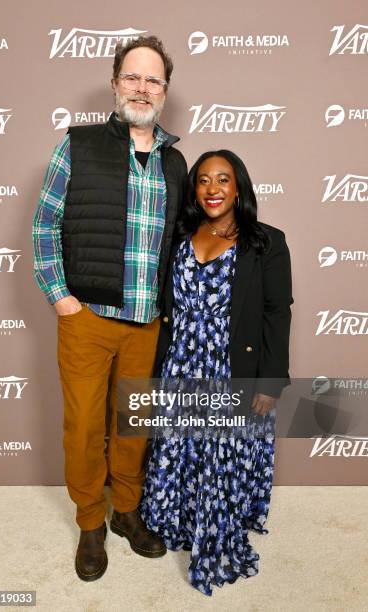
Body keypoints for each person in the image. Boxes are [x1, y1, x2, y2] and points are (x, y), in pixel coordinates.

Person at [32, 36, 187, 581]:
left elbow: (183, 241)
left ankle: (126, 512)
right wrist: (62, 299)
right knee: (82, 428)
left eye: (153, 80)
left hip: (146, 322)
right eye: (133, 77)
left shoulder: (174, 161)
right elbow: (44, 224)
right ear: (114, 81)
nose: (142, 88)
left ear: (164, 91)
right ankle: (91, 523)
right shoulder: (77, 144)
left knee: (133, 426)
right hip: (88, 318)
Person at [140, 150, 293, 595]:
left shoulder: (266, 241)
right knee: (178, 451)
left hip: (231, 369)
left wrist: (269, 381)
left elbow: (276, 313)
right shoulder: (178, 239)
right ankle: (177, 521)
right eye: (203, 180)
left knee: (220, 459)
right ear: (194, 190)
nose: (212, 189)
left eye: (223, 179)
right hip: (180, 365)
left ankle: (215, 531)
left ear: (239, 187)